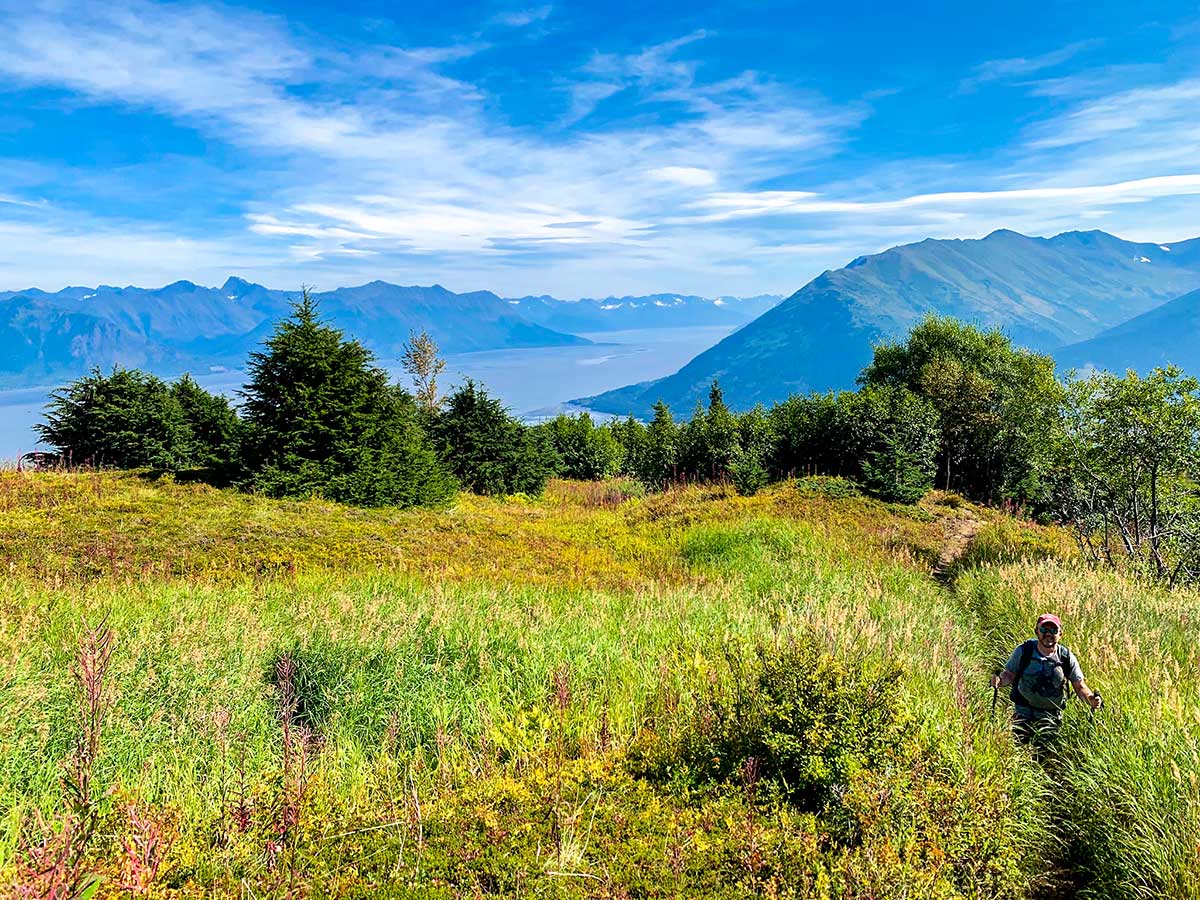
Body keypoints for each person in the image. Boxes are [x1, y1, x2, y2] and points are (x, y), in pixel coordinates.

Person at [991, 614, 1102, 760]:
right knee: (1017, 756)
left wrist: (1090, 699)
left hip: (1051, 719)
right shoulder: (1024, 651)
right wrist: (999, 681)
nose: (1048, 634)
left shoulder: (1066, 657)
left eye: (1053, 630)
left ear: (1060, 634)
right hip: (1023, 714)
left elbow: (1079, 686)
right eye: (1044, 629)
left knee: (1044, 760)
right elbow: (1009, 675)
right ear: (1036, 631)